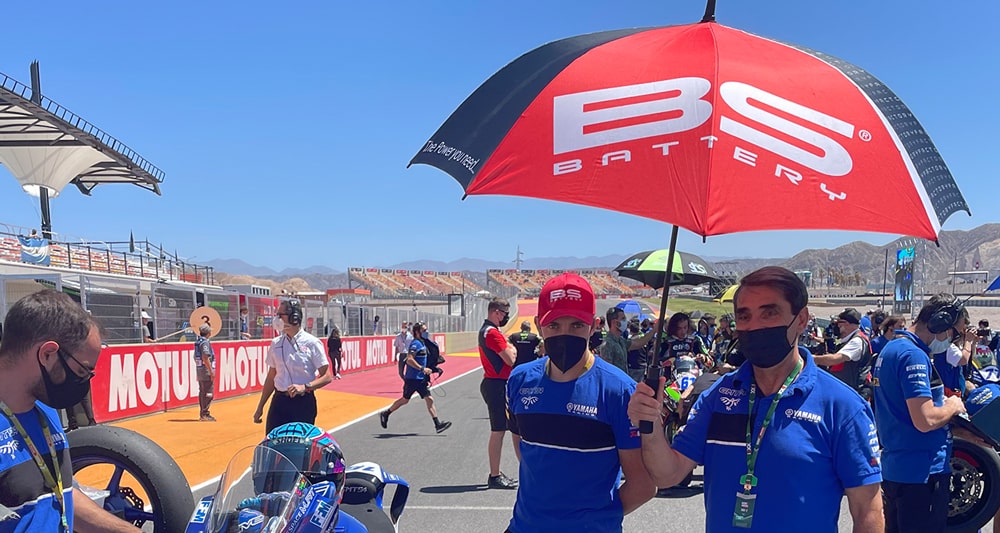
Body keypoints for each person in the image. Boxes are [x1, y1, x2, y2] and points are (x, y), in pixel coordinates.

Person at [628, 266, 883, 532]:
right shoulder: (717, 396)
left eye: (769, 313)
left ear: (802, 319)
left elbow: (868, 511)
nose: (755, 325)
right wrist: (651, 424)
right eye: (744, 316)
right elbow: (668, 474)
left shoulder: (842, 407)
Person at [505, 273, 654, 532]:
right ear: (539, 325)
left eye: (576, 325)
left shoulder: (619, 391)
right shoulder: (519, 380)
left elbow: (643, 485)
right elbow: (526, 454)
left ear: (594, 326)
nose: (565, 335)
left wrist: (594, 521)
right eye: (554, 325)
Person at [0, 289, 139, 532]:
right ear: (47, 354)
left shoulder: (45, 410)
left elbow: (58, 495)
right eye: (82, 371)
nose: (84, 381)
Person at [873, 293, 968, 533]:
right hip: (921, 475)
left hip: (898, 469)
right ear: (940, 323)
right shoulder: (912, 355)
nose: (953, 340)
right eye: (954, 334)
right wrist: (953, 405)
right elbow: (925, 420)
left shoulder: (893, 348)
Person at [253, 299, 334, 434]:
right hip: (279, 402)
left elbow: (327, 376)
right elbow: (271, 377)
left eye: (281, 315)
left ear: (294, 317)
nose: (277, 319)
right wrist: (260, 406)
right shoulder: (276, 343)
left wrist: (305, 387)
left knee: (299, 443)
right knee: (273, 441)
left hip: (303, 403)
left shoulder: (312, 343)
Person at [379, 323, 452, 433]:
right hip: (412, 378)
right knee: (405, 400)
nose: (426, 332)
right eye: (424, 330)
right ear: (417, 332)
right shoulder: (415, 344)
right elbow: (409, 359)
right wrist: (422, 368)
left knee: (429, 399)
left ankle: (437, 425)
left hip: (421, 379)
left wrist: (434, 368)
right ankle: (386, 413)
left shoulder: (423, 343)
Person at [479, 297, 519, 490]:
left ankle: (496, 473)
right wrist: (512, 348)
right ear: (496, 312)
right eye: (505, 314)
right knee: (498, 430)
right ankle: (494, 475)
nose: (506, 317)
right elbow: (510, 359)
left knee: (502, 429)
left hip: (497, 383)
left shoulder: (491, 331)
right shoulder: (492, 333)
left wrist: (509, 346)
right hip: (496, 384)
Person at [812, 308, 873, 399]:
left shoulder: (857, 341)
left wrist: (812, 358)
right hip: (846, 391)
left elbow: (835, 359)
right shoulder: (848, 340)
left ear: (847, 323)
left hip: (854, 394)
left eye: (839, 322)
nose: (837, 325)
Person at [601, 307, 655, 378]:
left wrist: (654, 330)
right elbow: (607, 373)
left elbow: (638, 343)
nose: (625, 321)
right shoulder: (608, 344)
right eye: (623, 319)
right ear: (614, 322)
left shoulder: (621, 340)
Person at [194, 324, 217, 422]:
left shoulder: (198, 342)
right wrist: (211, 371)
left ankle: (203, 413)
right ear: (208, 333)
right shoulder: (205, 342)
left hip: (200, 370)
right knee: (208, 393)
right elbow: (205, 357)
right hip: (205, 370)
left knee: (203, 392)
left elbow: (195, 357)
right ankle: (205, 414)